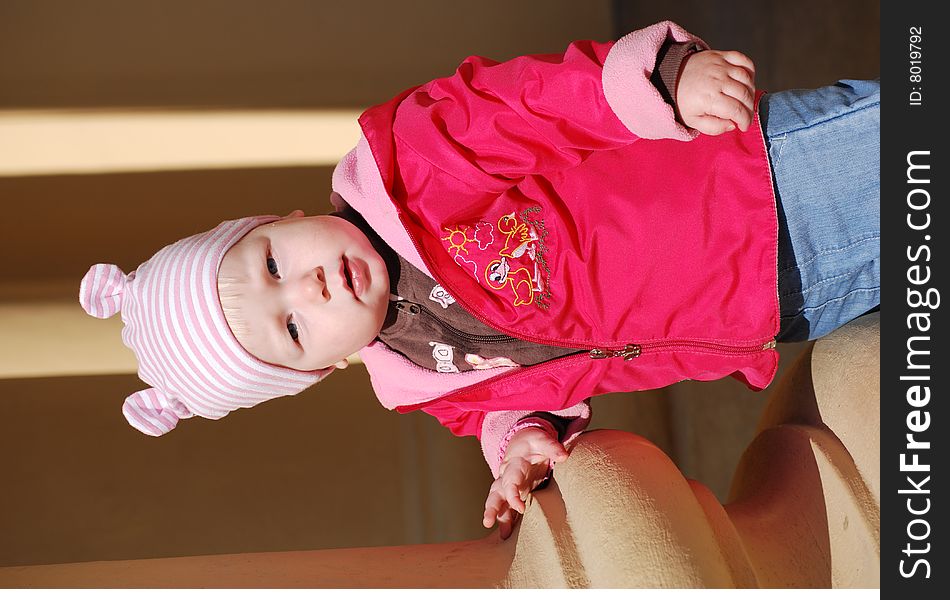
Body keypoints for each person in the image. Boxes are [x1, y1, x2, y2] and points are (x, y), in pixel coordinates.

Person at [79, 21, 879, 540]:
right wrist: (519, 442)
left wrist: (662, 81)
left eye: (273, 264)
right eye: (292, 328)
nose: (310, 287)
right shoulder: (423, 382)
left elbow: (525, 109)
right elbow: (501, 401)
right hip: (770, 307)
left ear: (274, 218)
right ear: (316, 369)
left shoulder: (406, 170)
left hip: (757, 183)